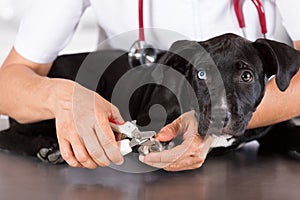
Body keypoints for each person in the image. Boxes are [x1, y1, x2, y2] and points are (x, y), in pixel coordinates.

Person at [0, 0, 299, 171]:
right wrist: (63, 97)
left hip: (252, 143)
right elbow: (8, 82)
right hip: (129, 118)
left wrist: (209, 124)